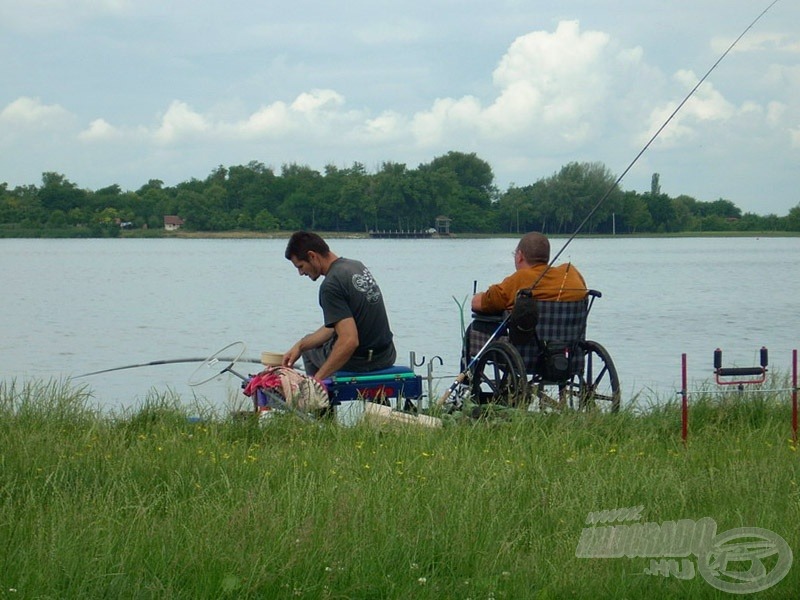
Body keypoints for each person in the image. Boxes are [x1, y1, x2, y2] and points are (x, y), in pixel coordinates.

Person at [282, 231, 396, 381]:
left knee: (310, 353)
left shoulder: (330, 285)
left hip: (359, 362)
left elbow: (349, 341)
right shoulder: (356, 266)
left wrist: (317, 380)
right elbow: (337, 325)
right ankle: (379, 401)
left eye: (301, 266)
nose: (301, 273)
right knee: (308, 344)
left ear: (312, 256)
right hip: (386, 355)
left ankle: (318, 401)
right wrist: (300, 345)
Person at [471, 231, 587, 314]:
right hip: (568, 340)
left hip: (526, 344)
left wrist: (478, 295)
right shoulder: (570, 272)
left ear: (520, 256)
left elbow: (477, 303)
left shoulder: (520, 278)